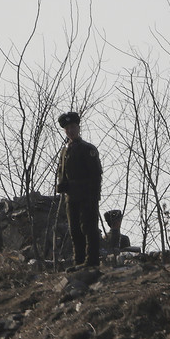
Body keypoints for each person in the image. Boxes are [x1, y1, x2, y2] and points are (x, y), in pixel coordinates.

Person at [56, 112, 103, 272]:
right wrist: (61, 186)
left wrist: (94, 196)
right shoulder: (65, 151)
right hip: (71, 195)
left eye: (73, 127)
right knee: (74, 229)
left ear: (78, 128)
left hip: (86, 194)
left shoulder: (87, 149)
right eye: (67, 128)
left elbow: (96, 174)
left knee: (89, 228)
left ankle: (92, 260)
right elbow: (62, 172)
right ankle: (79, 261)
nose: (70, 131)